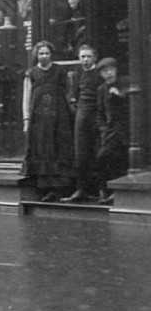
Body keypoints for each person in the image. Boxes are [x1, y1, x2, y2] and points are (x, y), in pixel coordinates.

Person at [21, 41, 75, 202]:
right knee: (42, 149)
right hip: (39, 120)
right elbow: (26, 98)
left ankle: (61, 189)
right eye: (41, 54)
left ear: (51, 55)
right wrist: (26, 119)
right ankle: (46, 189)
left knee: (59, 148)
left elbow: (69, 90)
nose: (44, 56)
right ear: (36, 55)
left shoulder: (60, 71)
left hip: (59, 118)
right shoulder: (31, 74)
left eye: (47, 53)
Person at [61, 45, 103, 203]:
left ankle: (102, 190)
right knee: (80, 154)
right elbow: (75, 95)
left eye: (88, 57)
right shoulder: (77, 73)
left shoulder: (99, 73)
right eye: (82, 57)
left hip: (97, 115)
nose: (85, 60)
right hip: (82, 115)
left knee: (99, 153)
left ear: (95, 58)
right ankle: (81, 190)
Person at [94, 57, 129, 205]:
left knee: (122, 160)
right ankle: (103, 191)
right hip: (110, 131)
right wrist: (103, 129)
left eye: (111, 69)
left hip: (127, 130)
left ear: (116, 70)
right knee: (102, 157)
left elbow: (131, 103)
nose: (108, 73)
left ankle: (118, 192)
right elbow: (100, 112)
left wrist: (119, 96)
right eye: (105, 71)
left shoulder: (125, 82)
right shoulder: (101, 89)